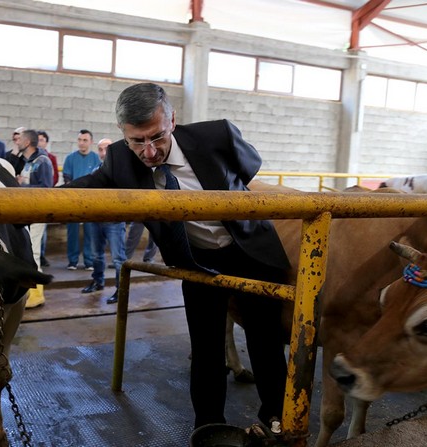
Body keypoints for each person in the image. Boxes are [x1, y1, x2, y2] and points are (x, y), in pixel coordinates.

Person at [65, 82, 289, 431]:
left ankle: (276, 415)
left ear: (172, 119)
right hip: (197, 260)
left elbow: (250, 166)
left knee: (265, 340)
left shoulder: (218, 135)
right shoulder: (121, 161)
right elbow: (80, 191)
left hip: (249, 251)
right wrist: (13, 203)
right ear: (123, 134)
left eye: (156, 137)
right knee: (205, 347)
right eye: (137, 141)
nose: (149, 151)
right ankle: (209, 424)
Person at [81, 138, 127, 304]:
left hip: (114, 221)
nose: (102, 153)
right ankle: (98, 281)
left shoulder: (120, 170)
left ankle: (121, 289)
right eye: (100, 149)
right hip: (95, 219)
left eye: (106, 149)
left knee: (118, 258)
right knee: (96, 254)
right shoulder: (96, 169)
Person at [15, 129, 54, 308]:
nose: (17, 141)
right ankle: (30, 292)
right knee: (28, 253)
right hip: (27, 213)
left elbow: (46, 189)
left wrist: (23, 185)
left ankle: (37, 295)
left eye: (20, 139)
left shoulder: (42, 161)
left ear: (28, 142)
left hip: (38, 213)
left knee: (35, 253)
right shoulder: (28, 162)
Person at [62, 129, 101, 270]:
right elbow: (67, 178)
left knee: (90, 231)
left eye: (85, 140)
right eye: (80, 140)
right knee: (72, 231)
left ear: (91, 142)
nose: (82, 143)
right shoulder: (70, 158)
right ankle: (72, 261)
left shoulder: (96, 158)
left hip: (90, 202)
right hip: (73, 200)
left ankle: (89, 261)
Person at [37, 130, 58, 268]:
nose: (40, 142)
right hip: (33, 197)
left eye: (42, 140)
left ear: (46, 142)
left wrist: (48, 184)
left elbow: (55, 175)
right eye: (38, 140)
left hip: (45, 196)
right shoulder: (32, 157)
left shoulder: (50, 158)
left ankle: (42, 255)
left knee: (42, 230)